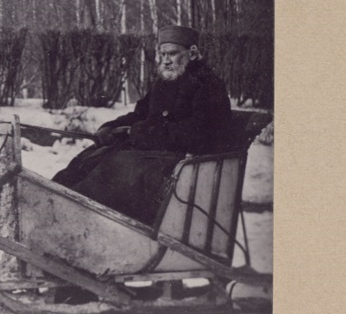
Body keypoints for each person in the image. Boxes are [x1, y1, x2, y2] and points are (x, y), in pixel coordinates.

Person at [51, 25, 232, 227]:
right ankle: (53, 201)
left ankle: (81, 222)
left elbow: (200, 133)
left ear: (192, 53)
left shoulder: (208, 85)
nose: (165, 60)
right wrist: (111, 127)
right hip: (155, 153)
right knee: (93, 156)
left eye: (172, 54)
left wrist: (143, 132)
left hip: (183, 162)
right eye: (162, 54)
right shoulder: (165, 82)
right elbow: (140, 114)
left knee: (115, 168)